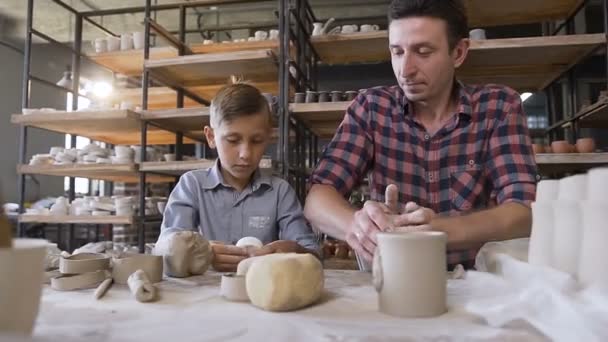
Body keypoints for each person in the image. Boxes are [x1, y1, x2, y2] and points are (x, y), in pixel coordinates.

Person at [304, 0, 537, 269]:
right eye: (397, 52)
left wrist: (438, 231)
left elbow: (523, 211)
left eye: (423, 52)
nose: (405, 70)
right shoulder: (371, 108)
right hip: (393, 280)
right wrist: (356, 225)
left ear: (459, 52)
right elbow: (317, 198)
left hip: (474, 284)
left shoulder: (498, 107)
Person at [159, 83, 319, 272]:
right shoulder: (191, 185)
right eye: (233, 140)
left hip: (262, 293)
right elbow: (164, 251)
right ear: (211, 137)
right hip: (204, 295)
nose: (245, 154)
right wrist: (201, 253)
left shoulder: (279, 192)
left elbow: (314, 254)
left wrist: (294, 251)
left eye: (257, 141)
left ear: (268, 138)